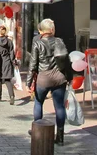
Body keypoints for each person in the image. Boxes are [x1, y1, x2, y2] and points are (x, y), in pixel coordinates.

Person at [27, 18, 72, 146]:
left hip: (43, 79)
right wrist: (69, 78)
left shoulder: (38, 43)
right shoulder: (59, 41)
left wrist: (28, 82)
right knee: (59, 106)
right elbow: (66, 61)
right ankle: (61, 137)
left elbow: (33, 64)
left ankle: (38, 131)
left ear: (41, 30)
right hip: (59, 78)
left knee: (38, 102)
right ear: (52, 30)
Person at [0, 26, 16, 105]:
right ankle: (11, 96)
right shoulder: (9, 41)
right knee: (7, 80)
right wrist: (13, 62)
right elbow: (12, 53)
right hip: (7, 62)